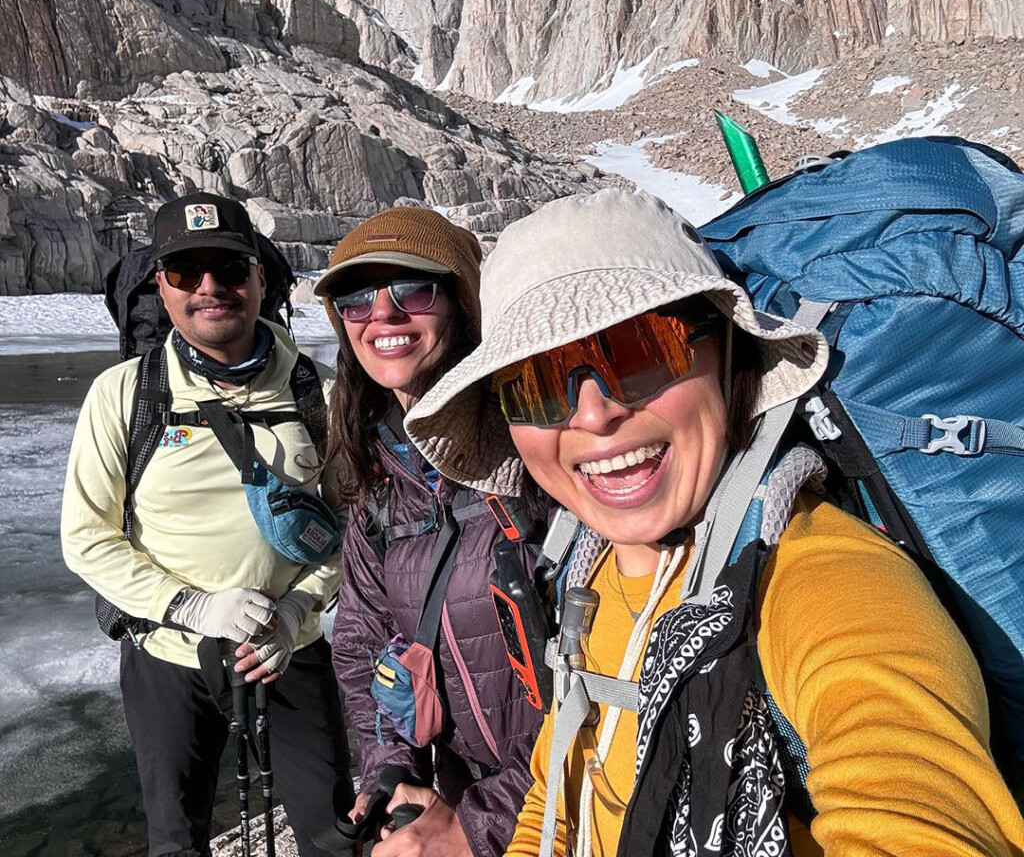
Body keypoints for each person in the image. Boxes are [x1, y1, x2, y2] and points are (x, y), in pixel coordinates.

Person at [405, 188, 1024, 857]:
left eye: (640, 350)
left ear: (730, 358)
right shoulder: (590, 569)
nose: (593, 415)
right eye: (536, 385)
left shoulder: (825, 580)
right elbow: (558, 794)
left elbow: (916, 812)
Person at [61, 192, 354, 857]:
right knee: (176, 841)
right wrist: (191, 606)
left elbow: (353, 525)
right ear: (159, 285)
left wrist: (298, 607)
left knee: (333, 833)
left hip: (290, 650)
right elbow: (88, 538)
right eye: (186, 272)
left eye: (229, 268)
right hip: (168, 659)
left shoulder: (320, 393)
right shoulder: (124, 396)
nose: (210, 288)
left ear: (259, 279)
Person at [313, 206, 548, 857]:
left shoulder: (537, 450)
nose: (382, 315)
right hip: (461, 799)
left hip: (558, 803)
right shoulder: (382, 485)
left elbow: (619, 675)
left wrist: (482, 823)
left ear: (463, 305)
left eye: (412, 290)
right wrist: (392, 767)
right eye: (356, 300)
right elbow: (362, 640)